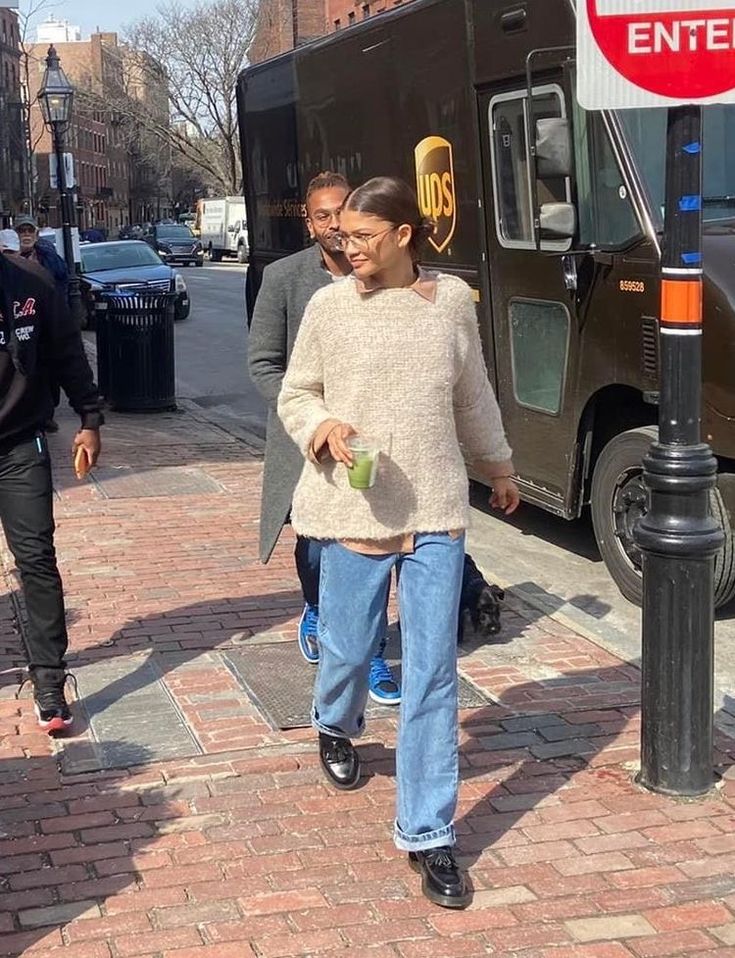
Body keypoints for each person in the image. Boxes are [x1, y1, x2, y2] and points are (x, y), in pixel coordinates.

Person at [278, 176, 519, 909]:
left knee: (430, 673)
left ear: (404, 235)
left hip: (437, 509)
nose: (346, 247)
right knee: (349, 647)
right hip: (351, 506)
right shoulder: (327, 307)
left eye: (361, 236)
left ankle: (427, 834)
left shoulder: (449, 303)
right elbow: (296, 391)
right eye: (341, 236)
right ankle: (334, 722)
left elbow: (470, 392)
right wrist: (320, 428)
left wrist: (499, 466)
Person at [248, 172, 401, 705]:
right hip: (308, 442)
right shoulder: (285, 278)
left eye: (342, 212)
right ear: (308, 222)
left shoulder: (385, 274)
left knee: (370, 543)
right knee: (315, 549)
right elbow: (263, 362)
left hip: (365, 441)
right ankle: (315, 606)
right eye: (322, 215)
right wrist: (307, 418)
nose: (334, 224)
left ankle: (370, 653)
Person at [0, 248, 103, 733]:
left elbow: (66, 352)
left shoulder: (32, 282)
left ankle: (48, 681)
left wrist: (90, 417)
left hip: (20, 442)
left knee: (37, 559)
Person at [15, 215, 70, 433]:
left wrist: (60, 310)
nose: (26, 235)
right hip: (19, 323)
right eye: (22, 231)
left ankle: (47, 414)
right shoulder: (9, 257)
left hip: (45, 321)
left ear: (36, 234)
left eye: (30, 231)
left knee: (48, 370)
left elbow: (62, 279)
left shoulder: (47, 257)